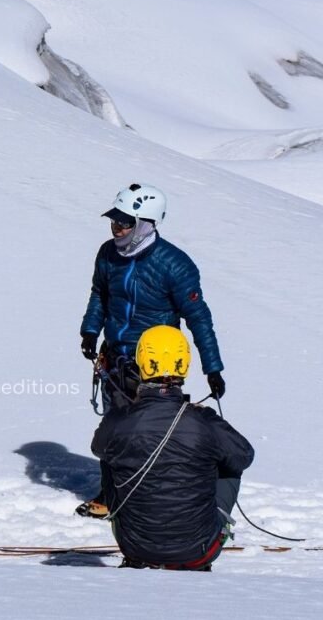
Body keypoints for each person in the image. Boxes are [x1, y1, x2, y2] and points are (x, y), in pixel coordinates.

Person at [77, 182, 225, 519]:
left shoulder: (174, 264)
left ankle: (154, 499)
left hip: (157, 367)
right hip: (115, 359)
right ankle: (111, 497)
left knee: (152, 433)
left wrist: (212, 368)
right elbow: (99, 294)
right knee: (116, 430)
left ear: (146, 223)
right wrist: (90, 331)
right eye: (114, 220)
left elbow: (198, 317)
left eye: (125, 221)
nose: (117, 227)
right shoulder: (107, 254)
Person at [100, 326, 253, 570]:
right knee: (229, 462)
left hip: (135, 547)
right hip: (199, 551)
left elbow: (98, 446)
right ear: (185, 365)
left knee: (109, 456)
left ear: (141, 362)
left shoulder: (119, 420)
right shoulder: (204, 422)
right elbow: (244, 456)